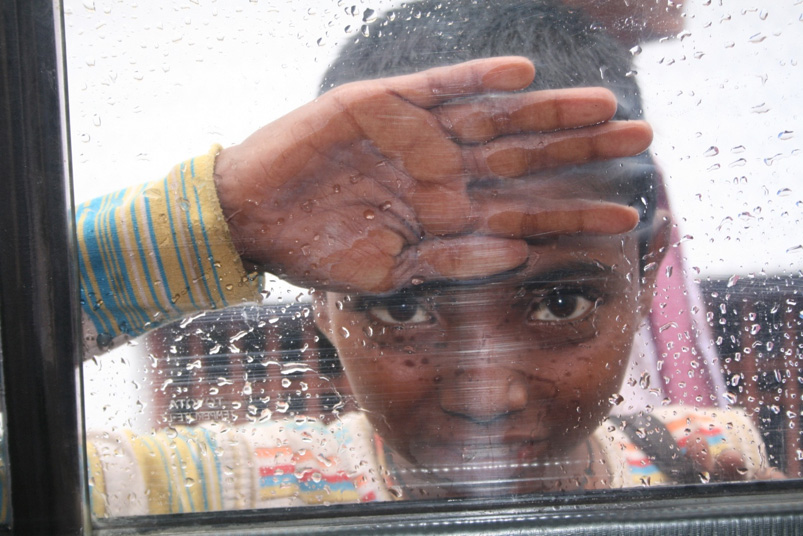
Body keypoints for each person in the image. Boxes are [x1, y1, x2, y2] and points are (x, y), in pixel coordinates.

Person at [79, 0, 776, 518]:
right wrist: (216, 220)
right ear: (319, 297)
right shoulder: (233, 492)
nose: (485, 397)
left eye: (560, 303)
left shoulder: (705, 463)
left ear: (645, 270)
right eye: (403, 306)